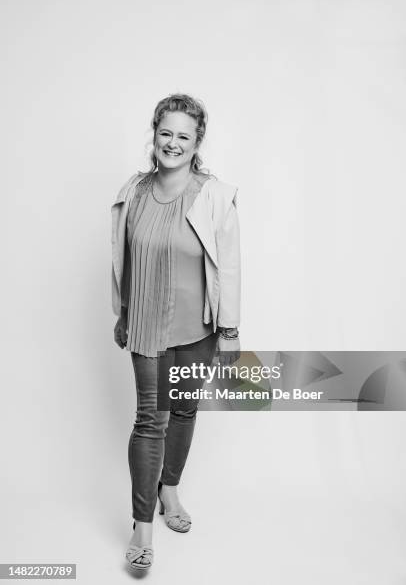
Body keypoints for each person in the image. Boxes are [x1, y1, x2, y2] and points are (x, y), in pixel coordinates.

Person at [111, 93, 241, 571]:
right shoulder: (136, 190)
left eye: (184, 135)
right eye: (166, 132)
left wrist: (229, 331)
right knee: (151, 419)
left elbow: (228, 266)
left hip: (199, 328)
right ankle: (142, 527)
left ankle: (171, 491)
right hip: (146, 322)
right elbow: (124, 259)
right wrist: (122, 312)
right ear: (155, 133)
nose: (173, 143)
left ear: (196, 141)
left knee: (184, 409)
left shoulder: (214, 195)